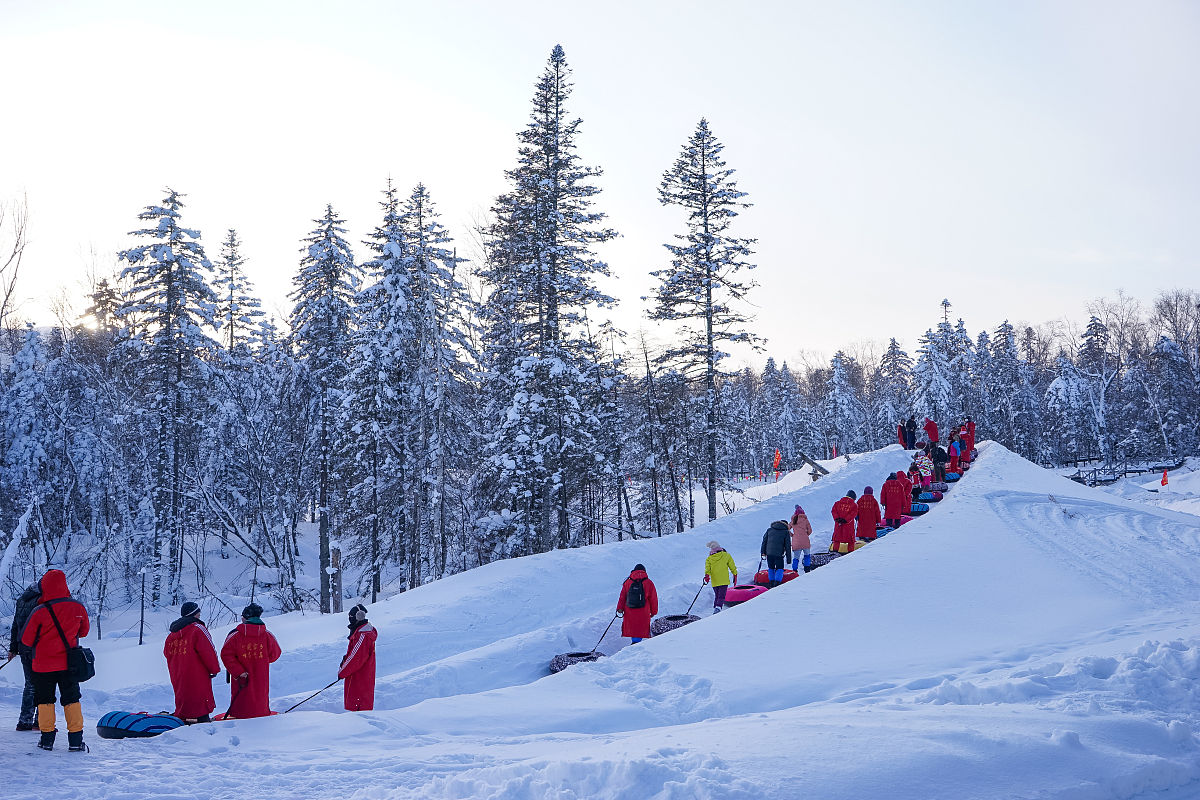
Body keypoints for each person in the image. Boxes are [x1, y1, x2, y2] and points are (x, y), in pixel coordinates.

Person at [19, 568, 90, 752]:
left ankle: (47, 740)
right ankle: (75, 741)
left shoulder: (39, 611)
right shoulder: (78, 607)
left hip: (43, 666)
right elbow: (84, 631)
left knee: (45, 700)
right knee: (72, 699)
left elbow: (26, 639)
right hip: (69, 664)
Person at [220, 602, 282, 719]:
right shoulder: (267, 635)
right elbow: (275, 654)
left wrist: (239, 671)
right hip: (261, 675)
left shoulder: (235, 635)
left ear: (245, 617)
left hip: (241, 678)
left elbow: (226, 655)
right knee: (260, 696)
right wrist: (261, 660)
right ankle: (261, 713)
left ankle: (239, 714)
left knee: (241, 699)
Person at [164, 601, 221, 723]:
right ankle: (202, 720)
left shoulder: (171, 635)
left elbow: (166, 653)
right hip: (197, 672)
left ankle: (184, 719)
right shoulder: (197, 629)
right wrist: (214, 669)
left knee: (183, 695)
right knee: (200, 696)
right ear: (195, 614)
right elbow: (208, 650)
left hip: (177, 671)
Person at [8, 582, 40, 731]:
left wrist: (13, 648)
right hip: (39, 648)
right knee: (45, 684)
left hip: (23, 647)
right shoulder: (43, 600)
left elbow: (16, 625)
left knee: (30, 684)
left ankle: (24, 720)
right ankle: (40, 721)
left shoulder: (22, 599)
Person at [338, 604, 377, 711]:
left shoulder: (362, 635)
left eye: (351, 616)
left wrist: (342, 672)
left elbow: (356, 658)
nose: (349, 619)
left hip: (359, 679)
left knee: (357, 712)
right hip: (360, 677)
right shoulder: (361, 632)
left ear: (358, 616)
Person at [616, 564, 658, 643]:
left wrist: (620, 608)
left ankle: (635, 642)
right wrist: (653, 611)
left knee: (633, 627)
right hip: (643, 611)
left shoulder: (627, 582)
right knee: (640, 628)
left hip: (630, 610)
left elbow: (622, 596)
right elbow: (653, 599)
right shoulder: (649, 583)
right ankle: (636, 645)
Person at [703, 541, 738, 613]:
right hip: (724, 580)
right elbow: (732, 566)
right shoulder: (726, 555)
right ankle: (718, 608)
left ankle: (715, 607)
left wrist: (707, 576)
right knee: (721, 596)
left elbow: (707, 569)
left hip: (715, 580)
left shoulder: (709, 559)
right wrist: (735, 574)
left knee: (717, 595)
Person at [760, 520, 792, 588]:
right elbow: (787, 546)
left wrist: (763, 552)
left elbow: (764, 541)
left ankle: (771, 583)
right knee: (779, 568)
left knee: (771, 568)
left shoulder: (769, 530)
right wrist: (788, 559)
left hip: (769, 553)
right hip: (779, 554)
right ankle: (777, 584)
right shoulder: (786, 532)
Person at [788, 505, 813, 573]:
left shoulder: (793, 520)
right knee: (807, 556)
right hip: (805, 541)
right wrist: (805, 535)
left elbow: (787, 529)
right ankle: (807, 570)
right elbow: (810, 530)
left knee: (796, 558)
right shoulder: (805, 520)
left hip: (796, 542)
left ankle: (794, 571)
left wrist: (792, 535)